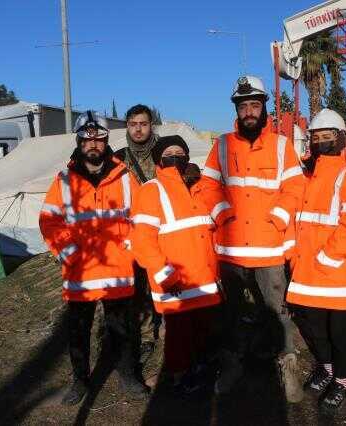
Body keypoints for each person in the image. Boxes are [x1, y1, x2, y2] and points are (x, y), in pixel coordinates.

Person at [200, 75, 305, 403]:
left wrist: (276, 220)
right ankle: (232, 364)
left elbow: (295, 188)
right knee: (231, 314)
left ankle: (287, 366)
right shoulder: (221, 145)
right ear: (237, 109)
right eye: (243, 106)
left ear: (264, 109)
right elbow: (207, 187)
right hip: (230, 252)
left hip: (268, 250)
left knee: (278, 313)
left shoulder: (280, 146)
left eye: (254, 105)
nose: (249, 112)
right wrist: (223, 214)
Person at [39, 111, 146, 405]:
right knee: (78, 332)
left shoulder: (125, 176)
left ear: (106, 140)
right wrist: (69, 253)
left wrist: (132, 250)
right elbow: (49, 220)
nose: (93, 145)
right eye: (87, 141)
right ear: (79, 143)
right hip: (80, 274)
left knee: (123, 329)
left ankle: (128, 376)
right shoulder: (63, 182)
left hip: (118, 270)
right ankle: (80, 381)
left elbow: (142, 218)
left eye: (98, 139)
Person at [286, 109, 346, 417]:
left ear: (341, 139)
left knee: (341, 333)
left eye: (327, 137)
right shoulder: (305, 178)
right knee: (316, 331)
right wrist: (294, 258)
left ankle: (342, 381)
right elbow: (296, 221)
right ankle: (327, 368)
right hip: (307, 274)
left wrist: (324, 258)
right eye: (316, 137)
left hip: (338, 276)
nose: (321, 142)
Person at [130, 135, 225, 394]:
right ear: (159, 159)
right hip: (176, 283)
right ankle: (179, 376)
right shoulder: (151, 190)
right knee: (178, 336)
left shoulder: (199, 188)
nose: (175, 156)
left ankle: (201, 370)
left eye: (180, 152)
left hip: (204, 280)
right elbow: (142, 241)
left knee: (204, 331)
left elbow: (210, 232)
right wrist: (167, 276)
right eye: (169, 152)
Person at [115, 104, 162, 386]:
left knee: (163, 283)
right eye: (133, 124)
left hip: (161, 231)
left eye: (143, 123)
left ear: (151, 124)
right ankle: (145, 336)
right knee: (137, 290)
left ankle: (169, 333)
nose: (138, 129)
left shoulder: (165, 153)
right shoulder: (118, 159)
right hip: (131, 234)